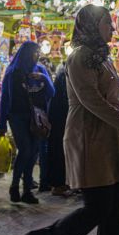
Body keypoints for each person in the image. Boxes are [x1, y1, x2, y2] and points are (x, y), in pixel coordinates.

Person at [23, 5, 119, 235]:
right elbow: (92, 101)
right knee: (98, 207)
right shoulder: (79, 58)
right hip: (89, 138)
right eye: (106, 23)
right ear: (91, 25)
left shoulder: (100, 58)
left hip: (108, 138)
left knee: (113, 208)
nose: (112, 28)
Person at [0, 42, 55, 204]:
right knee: (25, 150)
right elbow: (5, 99)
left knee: (34, 152)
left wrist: (44, 78)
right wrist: (2, 123)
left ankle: (27, 190)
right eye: (34, 52)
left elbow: (52, 93)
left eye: (38, 53)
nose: (36, 56)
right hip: (17, 116)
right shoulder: (13, 72)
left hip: (37, 118)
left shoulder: (40, 70)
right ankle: (15, 185)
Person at [45, 64, 70, 196]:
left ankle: (60, 184)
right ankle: (58, 185)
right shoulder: (64, 80)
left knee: (58, 152)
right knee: (59, 153)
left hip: (57, 122)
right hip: (61, 122)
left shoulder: (60, 80)